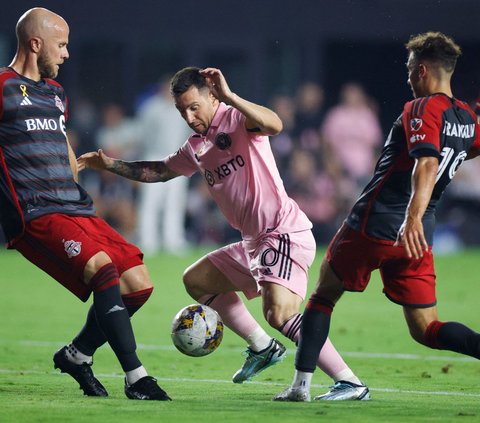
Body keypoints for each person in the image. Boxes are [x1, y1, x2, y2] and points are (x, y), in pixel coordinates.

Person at [78, 66, 369, 400]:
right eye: (181, 110)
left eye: (193, 107)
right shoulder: (196, 147)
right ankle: (262, 348)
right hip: (252, 244)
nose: (188, 116)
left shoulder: (237, 119)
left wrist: (230, 96)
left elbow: (275, 124)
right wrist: (111, 164)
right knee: (197, 280)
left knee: (280, 314)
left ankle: (349, 381)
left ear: (211, 96)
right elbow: (159, 171)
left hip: (281, 233)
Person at [274, 31, 480, 402]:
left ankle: (300, 387)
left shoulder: (420, 108)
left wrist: (411, 217)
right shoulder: (466, 118)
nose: (406, 78)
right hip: (420, 238)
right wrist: (418, 220)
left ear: (420, 70)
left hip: (378, 222)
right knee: (426, 328)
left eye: (408, 70)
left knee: (322, 297)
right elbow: (459, 151)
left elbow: (428, 161)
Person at [0, 8, 170, 401]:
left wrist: (75, 171)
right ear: (35, 44)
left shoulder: (56, 94)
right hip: (35, 213)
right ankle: (137, 377)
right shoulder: (3, 86)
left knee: (138, 284)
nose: (67, 54)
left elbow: (61, 145)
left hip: (74, 207)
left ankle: (78, 355)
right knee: (102, 267)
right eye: (61, 45)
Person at [135, 77, 191, 254]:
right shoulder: (150, 108)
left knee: (175, 202)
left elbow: (189, 133)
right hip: (154, 157)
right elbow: (142, 135)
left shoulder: (183, 107)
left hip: (178, 158)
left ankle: (173, 240)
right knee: (151, 202)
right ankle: (148, 240)